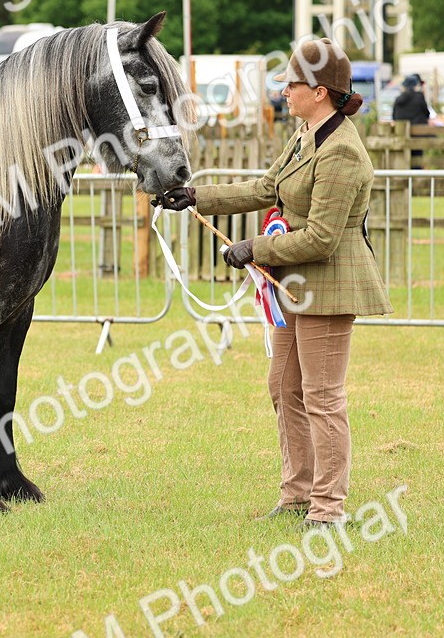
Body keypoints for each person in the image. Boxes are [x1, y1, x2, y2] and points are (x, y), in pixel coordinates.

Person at [157, 38, 392, 530]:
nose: (283, 90)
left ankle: (329, 509)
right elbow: (265, 189)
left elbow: (323, 239)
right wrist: (195, 197)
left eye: (292, 83)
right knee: (284, 387)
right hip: (293, 286)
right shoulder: (307, 132)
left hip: (329, 286)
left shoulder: (343, 151)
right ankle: (297, 494)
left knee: (323, 396)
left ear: (321, 91)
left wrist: (253, 249)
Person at [392, 73, 430, 169]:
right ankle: (417, 176)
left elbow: (394, 116)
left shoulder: (398, 100)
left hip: (402, 134)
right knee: (417, 156)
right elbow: (427, 113)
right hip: (418, 133)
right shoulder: (419, 97)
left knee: (403, 157)